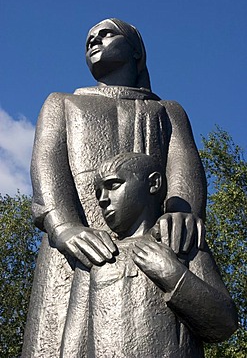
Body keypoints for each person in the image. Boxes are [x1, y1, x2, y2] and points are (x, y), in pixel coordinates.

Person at [23, 19, 208, 357]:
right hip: (76, 246)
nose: (94, 40)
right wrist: (64, 227)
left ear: (136, 50)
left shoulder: (167, 111)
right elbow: (47, 167)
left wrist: (182, 212)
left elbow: (184, 164)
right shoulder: (62, 103)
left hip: (147, 247)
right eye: (89, 38)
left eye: (106, 33)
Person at [61, 152, 237, 357]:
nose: (103, 199)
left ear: (153, 183)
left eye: (113, 185)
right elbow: (75, 340)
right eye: (98, 192)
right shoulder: (95, 254)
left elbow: (224, 323)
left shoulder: (180, 242)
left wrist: (172, 274)